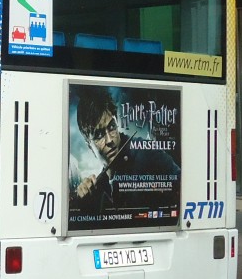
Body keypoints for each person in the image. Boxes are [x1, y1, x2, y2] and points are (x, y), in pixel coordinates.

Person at [72, 85, 180, 217]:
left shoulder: (145, 152)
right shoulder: (99, 186)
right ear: (89, 145)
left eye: (111, 127)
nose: (109, 140)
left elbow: (182, 186)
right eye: (99, 135)